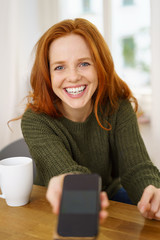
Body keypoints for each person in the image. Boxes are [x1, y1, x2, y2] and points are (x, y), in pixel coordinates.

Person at [21, 18, 160, 221]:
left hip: (110, 197)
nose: (73, 77)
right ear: (47, 75)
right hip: (56, 208)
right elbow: (66, 171)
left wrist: (152, 191)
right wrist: (76, 188)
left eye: (84, 64)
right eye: (59, 67)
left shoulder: (118, 107)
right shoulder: (35, 121)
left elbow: (136, 167)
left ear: (100, 66)